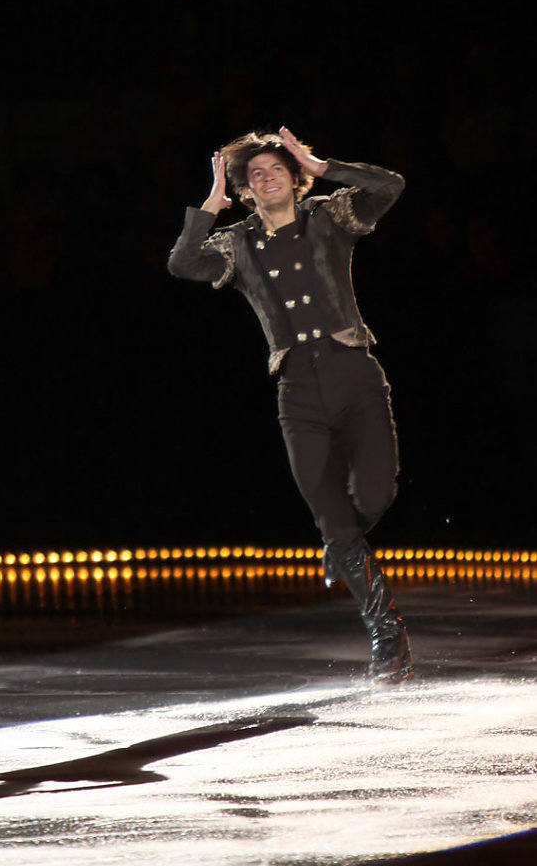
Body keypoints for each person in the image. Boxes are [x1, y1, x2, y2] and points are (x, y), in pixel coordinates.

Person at [168, 126, 414, 684]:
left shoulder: (330, 216)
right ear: (246, 190)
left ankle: (340, 544)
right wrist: (210, 204)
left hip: (354, 372)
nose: (266, 175)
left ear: (295, 177)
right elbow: (182, 264)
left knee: (375, 493)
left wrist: (324, 166)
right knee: (332, 516)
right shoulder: (236, 242)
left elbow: (390, 186)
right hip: (297, 390)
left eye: (277, 167)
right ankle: (387, 637)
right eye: (254, 173)